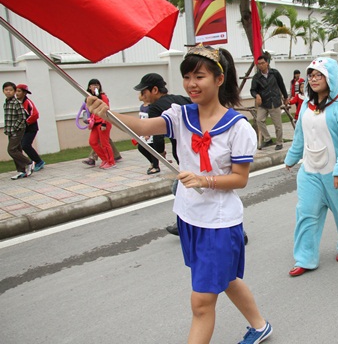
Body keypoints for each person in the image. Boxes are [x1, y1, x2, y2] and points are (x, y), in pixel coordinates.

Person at [87, 43, 272, 344]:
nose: (191, 84)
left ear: (219, 79)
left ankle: (259, 326)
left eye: (199, 76)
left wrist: (204, 180)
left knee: (201, 303)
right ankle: (260, 325)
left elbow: (240, 179)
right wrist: (109, 114)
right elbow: (142, 125)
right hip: (189, 217)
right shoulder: (181, 115)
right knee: (224, 279)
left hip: (219, 224)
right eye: (187, 77)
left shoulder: (239, 128)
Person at [284, 57, 338, 277]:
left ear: (331, 78)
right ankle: (305, 258)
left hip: (335, 173)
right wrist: (291, 157)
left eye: (319, 75)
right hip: (310, 171)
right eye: (311, 75)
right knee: (306, 213)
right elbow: (300, 134)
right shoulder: (307, 104)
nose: (314, 79)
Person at [133, 73, 192, 235]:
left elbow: (155, 135)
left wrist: (158, 157)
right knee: (191, 192)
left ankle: (187, 225)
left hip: (187, 157)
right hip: (198, 152)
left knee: (180, 190)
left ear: (154, 90)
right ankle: (185, 225)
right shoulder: (181, 99)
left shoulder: (156, 108)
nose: (141, 97)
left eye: (143, 92)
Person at [250, 55, 288, 151]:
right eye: (259, 64)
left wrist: (286, 97)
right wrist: (257, 95)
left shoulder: (274, 73)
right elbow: (252, 90)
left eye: (262, 63)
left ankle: (279, 142)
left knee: (277, 125)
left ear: (267, 63)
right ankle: (267, 139)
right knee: (259, 120)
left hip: (274, 102)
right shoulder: (256, 77)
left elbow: (281, 85)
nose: (261, 65)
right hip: (263, 103)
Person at [3, 81, 33, 180]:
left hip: (17, 130)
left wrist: (15, 128)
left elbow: (22, 117)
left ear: (14, 91)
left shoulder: (17, 103)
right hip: (10, 130)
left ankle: (29, 162)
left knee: (11, 150)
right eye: (6, 90)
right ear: (3, 91)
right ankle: (21, 171)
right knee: (17, 150)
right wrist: (9, 129)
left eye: (10, 90)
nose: (8, 92)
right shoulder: (6, 103)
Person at [86, 79, 115, 169]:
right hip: (95, 123)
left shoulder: (103, 97)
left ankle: (111, 162)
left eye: (97, 85)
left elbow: (106, 110)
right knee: (92, 141)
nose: (95, 87)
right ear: (89, 87)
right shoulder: (90, 97)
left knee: (104, 143)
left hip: (103, 122)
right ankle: (104, 159)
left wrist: (104, 123)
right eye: (93, 85)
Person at [15, 84, 45, 171]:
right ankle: (31, 162)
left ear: (24, 93)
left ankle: (39, 161)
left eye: (19, 91)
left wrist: (26, 122)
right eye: (16, 91)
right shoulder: (17, 103)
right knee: (22, 145)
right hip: (23, 129)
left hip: (31, 128)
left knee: (25, 145)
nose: (17, 93)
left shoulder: (28, 102)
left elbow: (35, 114)